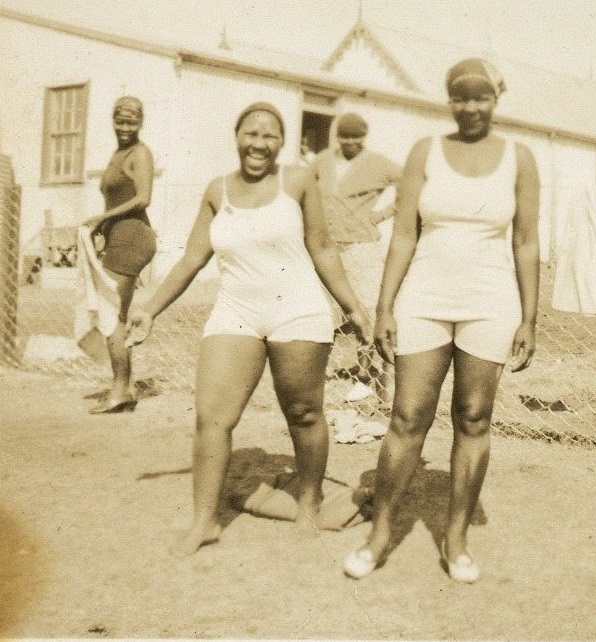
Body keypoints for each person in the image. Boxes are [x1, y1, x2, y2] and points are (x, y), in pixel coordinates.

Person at [125, 102, 373, 557]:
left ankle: (310, 501)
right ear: (237, 137)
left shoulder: (297, 181)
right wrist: (150, 309)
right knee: (211, 417)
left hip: (296, 309)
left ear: (282, 143)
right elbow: (192, 257)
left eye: (269, 135)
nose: (259, 143)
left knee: (303, 412)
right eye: (251, 134)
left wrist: (352, 306)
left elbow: (322, 247)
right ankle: (204, 521)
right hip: (236, 309)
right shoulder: (216, 190)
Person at [343, 58, 540, 583]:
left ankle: (455, 540)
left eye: (481, 97)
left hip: (491, 301)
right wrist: (385, 306)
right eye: (460, 97)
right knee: (408, 416)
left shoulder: (519, 158)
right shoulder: (424, 152)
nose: (470, 107)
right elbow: (404, 234)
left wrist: (529, 318)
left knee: (474, 417)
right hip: (424, 296)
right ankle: (379, 534)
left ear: (496, 99)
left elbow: (526, 242)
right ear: (448, 100)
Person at [310, 113, 402, 403]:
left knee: (367, 313)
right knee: (323, 313)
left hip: (361, 248)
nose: (350, 143)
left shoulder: (378, 163)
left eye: (356, 138)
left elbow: (412, 184)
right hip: (327, 249)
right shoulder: (323, 160)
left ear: (364, 138)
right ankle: (316, 374)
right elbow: (304, 187)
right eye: (345, 137)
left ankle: (365, 376)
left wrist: (381, 215)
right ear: (337, 137)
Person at [83, 96, 157, 414]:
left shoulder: (140, 153)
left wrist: (102, 218)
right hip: (118, 236)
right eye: (120, 121)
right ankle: (124, 387)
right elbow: (115, 200)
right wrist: (102, 229)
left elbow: (143, 198)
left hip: (133, 237)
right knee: (117, 314)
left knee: (111, 314)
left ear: (141, 123)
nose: (125, 127)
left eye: (132, 122)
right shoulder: (117, 154)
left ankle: (119, 391)